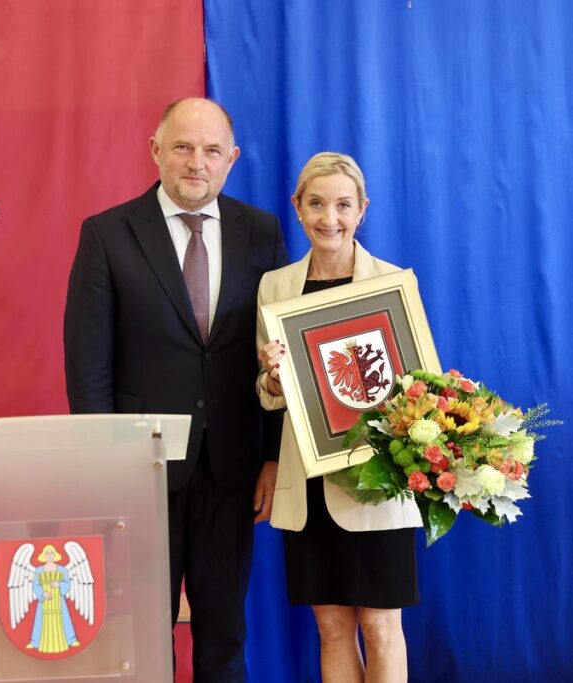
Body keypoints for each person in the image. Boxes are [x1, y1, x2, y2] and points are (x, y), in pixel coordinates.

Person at [64, 97, 288, 681]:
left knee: (224, 632)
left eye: (212, 150)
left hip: (233, 468)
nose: (197, 162)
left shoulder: (261, 233)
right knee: (142, 631)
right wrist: (105, 465)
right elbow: (88, 367)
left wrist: (273, 455)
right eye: (183, 147)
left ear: (232, 159)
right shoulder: (108, 234)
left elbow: (279, 354)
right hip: (141, 468)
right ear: (156, 150)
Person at [256, 152, 422, 682]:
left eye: (343, 205)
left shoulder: (393, 282)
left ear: (362, 210)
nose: (330, 218)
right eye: (317, 204)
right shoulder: (274, 287)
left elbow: (419, 390)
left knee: (381, 627)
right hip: (310, 484)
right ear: (297, 207)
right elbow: (267, 395)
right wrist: (272, 380)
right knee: (331, 629)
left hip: (379, 483)